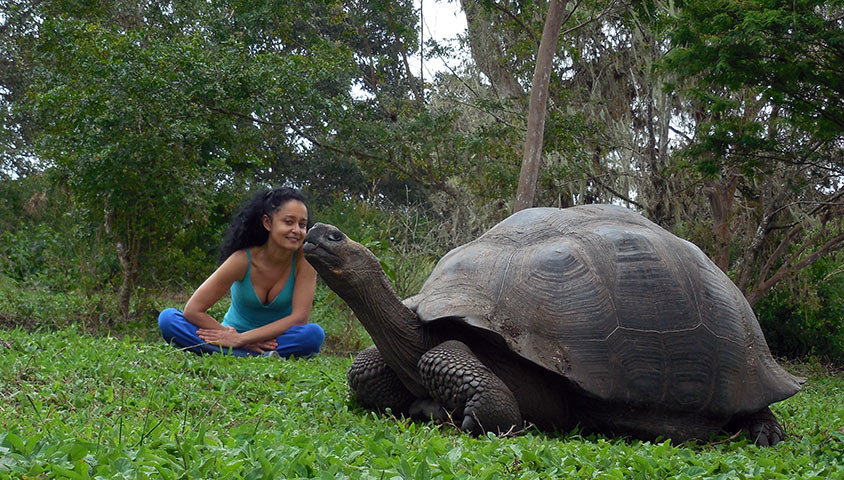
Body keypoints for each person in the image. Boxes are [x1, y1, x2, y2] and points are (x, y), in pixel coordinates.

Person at [158, 187, 325, 357]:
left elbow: (299, 319)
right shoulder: (242, 260)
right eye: (289, 222)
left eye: (302, 225)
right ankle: (251, 355)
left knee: (313, 335)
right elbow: (193, 310)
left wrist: (242, 340)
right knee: (168, 319)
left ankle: (227, 352)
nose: (296, 230)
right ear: (267, 223)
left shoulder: (305, 261)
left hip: (275, 340)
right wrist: (230, 336)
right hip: (232, 335)